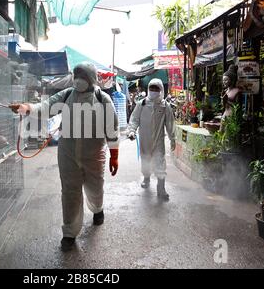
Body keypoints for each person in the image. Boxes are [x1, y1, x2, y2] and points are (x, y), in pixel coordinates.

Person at [9, 62, 120, 251]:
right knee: (69, 191)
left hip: (94, 155)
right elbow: (45, 107)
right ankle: (69, 232)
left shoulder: (103, 100)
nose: (78, 80)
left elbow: (113, 129)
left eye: (83, 77)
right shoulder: (67, 95)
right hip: (68, 153)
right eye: (76, 76)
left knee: (95, 187)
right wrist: (25, 107)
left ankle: (97, 209)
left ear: (92, 79)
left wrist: (114, 156)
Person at [127, 78, 176, 201]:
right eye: (151, 88)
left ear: (161, 90)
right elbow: (134, 119)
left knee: (160, 162)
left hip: (158, 141)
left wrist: (173, 138)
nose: (153, 90)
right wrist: (132, 131)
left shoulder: (165, 106)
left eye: (156, 88)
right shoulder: (141, 104)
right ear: (148, 89)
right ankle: (146, 178)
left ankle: (161, 188)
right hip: (145, 140)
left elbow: (170, 124)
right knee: (145, 161)